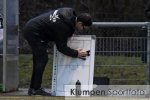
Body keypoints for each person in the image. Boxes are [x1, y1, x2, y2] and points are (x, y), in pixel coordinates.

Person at [23, 7, 92, 96]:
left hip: (33, 26)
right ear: (79, 23)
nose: (83, 30)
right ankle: (35, 89)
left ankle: (33, 88)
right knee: (42, 59)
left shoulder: (70, 12)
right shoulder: (64, 26)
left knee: (39, 59)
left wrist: (68, 33)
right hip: (34, 31)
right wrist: (76, 53)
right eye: (84, 28)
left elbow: (60, 29)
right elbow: (61, 47)